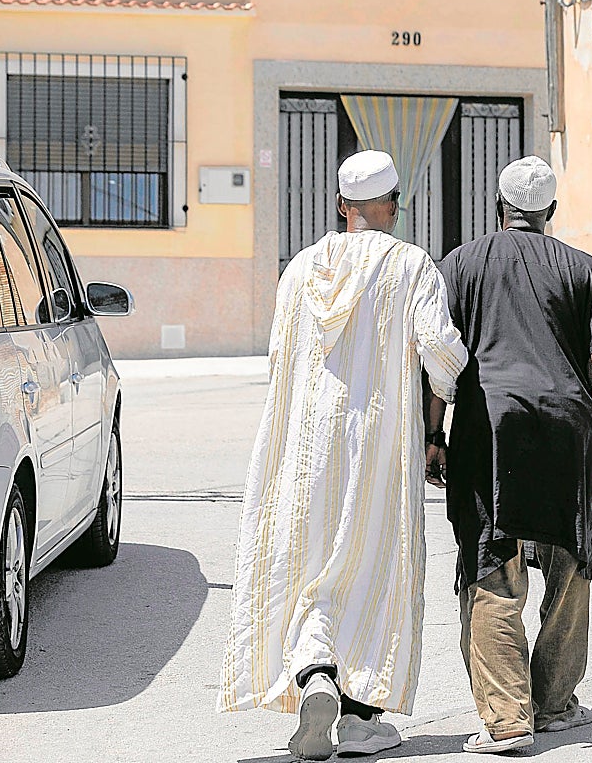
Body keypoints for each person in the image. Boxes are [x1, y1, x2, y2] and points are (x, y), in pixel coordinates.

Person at [218, 150, 469, 760]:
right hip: (379, 442)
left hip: (306, 447)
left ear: (340, 206)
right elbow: (440, 351)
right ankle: (360, 721)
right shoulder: (411, 265)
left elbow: (279, 358)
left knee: (311, 566)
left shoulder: (300, 269)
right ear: (394, 206)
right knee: (371, 565)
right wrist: (444, 405)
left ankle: (314, 675)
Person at [426, 156, 592, 754]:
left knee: (491, 563)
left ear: (499, 206)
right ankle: (555, 703)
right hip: (568, 429)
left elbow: (440, 363)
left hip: (490, 427)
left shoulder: (460, 266)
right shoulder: (586, 272)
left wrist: (434, 434)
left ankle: (507, 718)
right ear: (550, 212)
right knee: (570, 563)